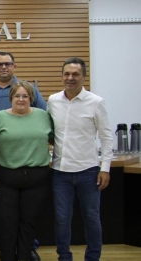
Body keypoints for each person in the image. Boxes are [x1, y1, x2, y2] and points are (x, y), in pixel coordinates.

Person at [0, 51, 46, 260]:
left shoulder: (43, 116)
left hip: (36, 176)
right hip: (5, 173)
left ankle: (26, 253)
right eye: (17, 96)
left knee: (29, 220)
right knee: (4, 219)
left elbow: (52, 137)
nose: (21, 99)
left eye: (25, 96)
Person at [48, 57, 113, 261]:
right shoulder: (53, 100)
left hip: (89, 171)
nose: (70, 78)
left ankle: (93, 257)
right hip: (60, 171)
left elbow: (106, 137)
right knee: (61, 219)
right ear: (62, 76)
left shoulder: (95, 102)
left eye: (75, 74)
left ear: (83, 77)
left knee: (92, 218)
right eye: (67, 74)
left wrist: (105, 168)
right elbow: (49, 134)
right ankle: (64, 257)